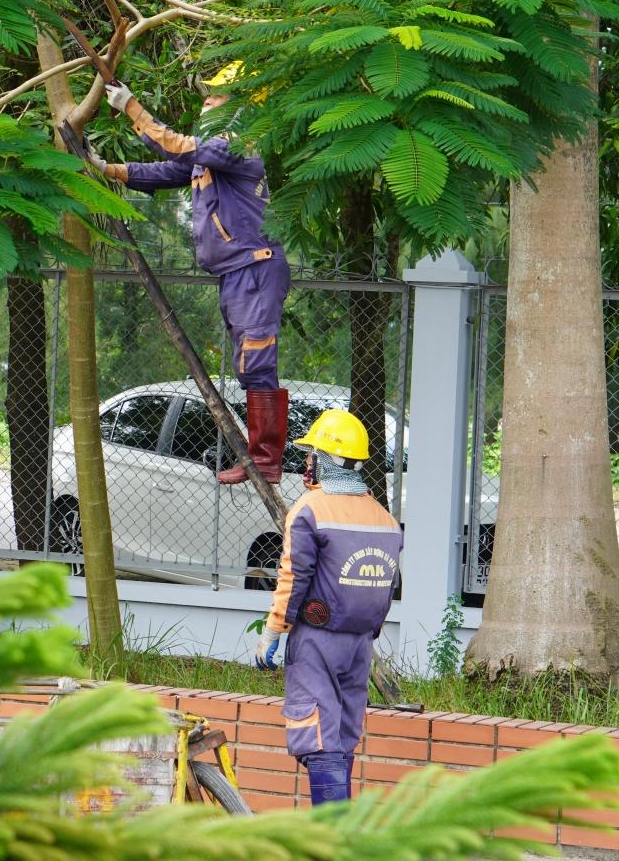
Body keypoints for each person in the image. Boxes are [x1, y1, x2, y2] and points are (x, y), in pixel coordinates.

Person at [78, 63, 291, 485]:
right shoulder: (209, 155)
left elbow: (178, 147)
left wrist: (133, 109)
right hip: (236, 273)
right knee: (247, 363)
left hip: (256, 268)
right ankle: (261, 455)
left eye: (215, 96)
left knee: (255, 361)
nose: (206, 101)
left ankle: (266, 458)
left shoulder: (238, 143)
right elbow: (168, 169)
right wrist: (108, 169)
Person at [250, 409, 402, 805]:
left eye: (311, 454)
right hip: (360, 645)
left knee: (316, 734)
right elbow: (385, 588)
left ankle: (329, 839)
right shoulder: (385, 520)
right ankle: (341, 833)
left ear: (328, 459)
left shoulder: (310, 510)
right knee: (341, 735)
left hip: (317, 640)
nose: (306, 463)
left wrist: (273, 630)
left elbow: (293, 577)